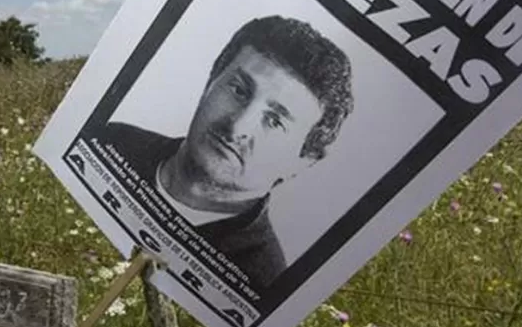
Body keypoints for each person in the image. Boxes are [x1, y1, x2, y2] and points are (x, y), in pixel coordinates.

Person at [99, 15, 354, 287]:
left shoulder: (261, 281)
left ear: (302, 162)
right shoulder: (109, 142)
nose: (238, 125)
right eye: (238, 90)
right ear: (211, 81)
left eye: (275, 121)